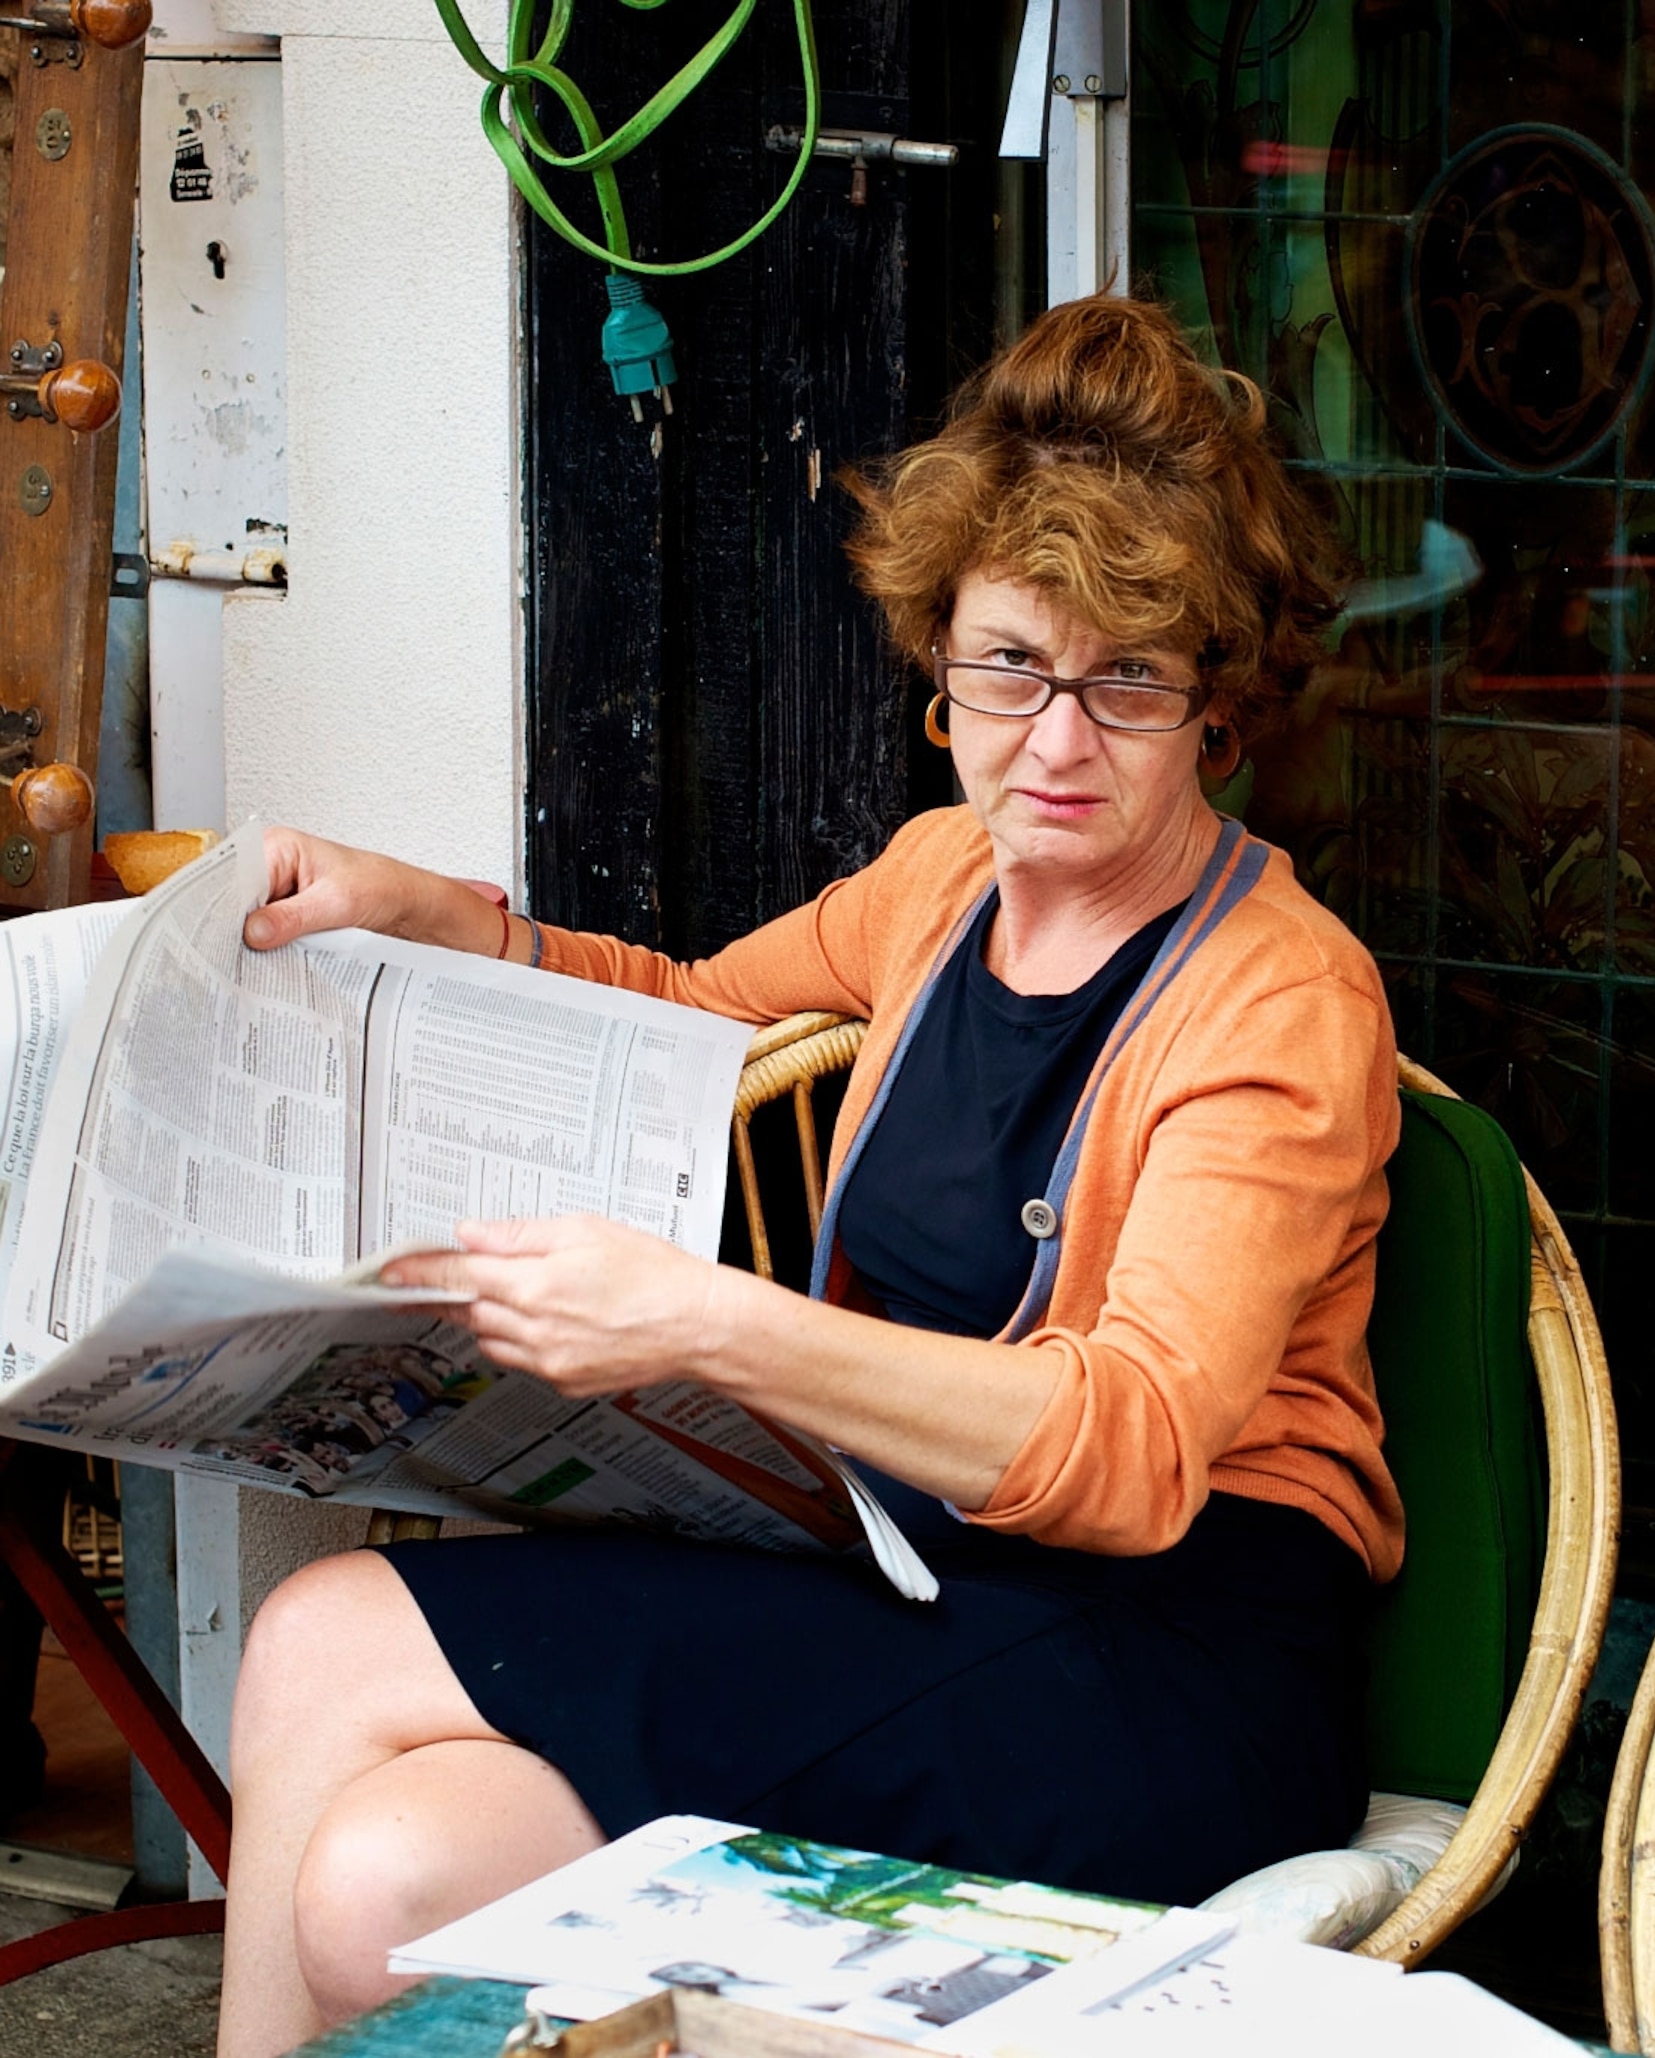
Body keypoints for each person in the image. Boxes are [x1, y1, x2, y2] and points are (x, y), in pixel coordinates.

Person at [215, 297, 1399, 2058]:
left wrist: (715, 1323)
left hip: (1168, 1662)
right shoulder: (942, 882)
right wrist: (441, 914)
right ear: (939, 656)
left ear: (1217, 695)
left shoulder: (1281, 995)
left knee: (325, 1630)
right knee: (384, 1878)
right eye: (1007, 666)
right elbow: (694, 1015)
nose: (1054, 744)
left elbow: (1135, 1448)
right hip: (914, 1572)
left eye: (1124, 678)